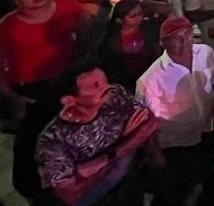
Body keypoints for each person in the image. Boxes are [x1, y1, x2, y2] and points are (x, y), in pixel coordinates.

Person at [0, 0, 84, 197]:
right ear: (16, 0)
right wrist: (12, 97)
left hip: (66, 78)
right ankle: (34, 186)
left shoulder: (69, 7)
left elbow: (87, 31)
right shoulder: (4, 29)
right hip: (32, 88)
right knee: (35, 137)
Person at [35, 65, 161, 205]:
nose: (105, 87)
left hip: (128, 183)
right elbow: (70, 194)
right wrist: (125, 144)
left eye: (104, 80)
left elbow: (150, 122)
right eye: (94, 85)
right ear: (69, 100)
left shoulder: (114, 95)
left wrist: (101, 161)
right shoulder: (53, 141)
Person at [135, 15, 214, 206]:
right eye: (177, 38)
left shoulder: (205, 53)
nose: (186, 42)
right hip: (176, 146)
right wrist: (156, 156)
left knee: (212, 179)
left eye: (188, 34)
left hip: (206, 132)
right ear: (163, 43)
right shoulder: (150, 80)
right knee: (174, 190)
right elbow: (144, 125)